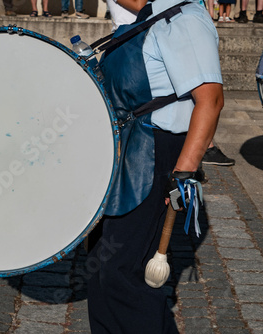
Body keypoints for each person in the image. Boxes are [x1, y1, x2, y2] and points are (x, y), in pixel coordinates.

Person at [86, 0, 224, 333]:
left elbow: (211, 99)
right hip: (129, 148)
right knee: (101, 264)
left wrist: (184, 174)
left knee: (123, 269)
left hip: (154, 153)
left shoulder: (185, 18)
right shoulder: (150, 16)